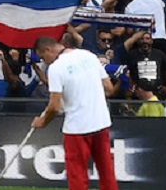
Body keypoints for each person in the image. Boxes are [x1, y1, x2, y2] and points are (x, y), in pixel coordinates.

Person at [32, 35, 117, 190]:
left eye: (42, 57)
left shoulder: (56, 68)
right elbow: (109, 89)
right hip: (101, 122)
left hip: (77, 128)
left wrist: (42, 122)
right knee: (106, 171)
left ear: (48, 50)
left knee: (77, 175)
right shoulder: (89, 56)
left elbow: (54, 107)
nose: (44, 61)